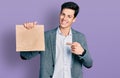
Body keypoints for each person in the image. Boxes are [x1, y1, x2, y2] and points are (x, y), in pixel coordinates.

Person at [20, 1, 93, 78]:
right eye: (63, 14)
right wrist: (28, 33)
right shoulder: (46, 36)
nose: (64, 18)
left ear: (74, 19)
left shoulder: (80, 37)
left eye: (69, 16)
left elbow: (89, 64)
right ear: (59, 14)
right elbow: (24, 55)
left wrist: (82, 52)